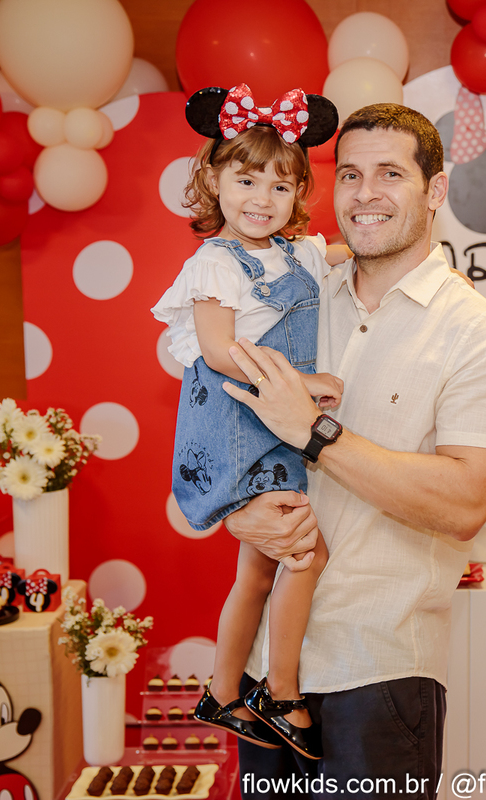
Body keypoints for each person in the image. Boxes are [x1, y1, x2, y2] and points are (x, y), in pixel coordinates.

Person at [220, 104, 486, 797]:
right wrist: (237, 512)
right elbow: (225, 422)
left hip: (379, 675)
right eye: (350, 174)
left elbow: (465, 503)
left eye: (390, 174)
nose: (365, 194)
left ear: (436, 190)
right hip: (266, 672)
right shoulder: (296, 297)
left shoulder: (479, 335)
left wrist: (316, 431)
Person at [150, 84, 348, 760]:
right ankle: (281, 692)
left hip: (277, 431)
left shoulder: (296, 253)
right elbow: (216, 351)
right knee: (305, 553)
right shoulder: (215, 262)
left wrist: (398, 253)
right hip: (241, 428)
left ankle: (222, 690)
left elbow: (341, 253)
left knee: (260, 574)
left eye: (281, 186)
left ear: (298, 194)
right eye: (246, 180)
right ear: (213, 179)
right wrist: (302, 382)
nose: (263, 199)